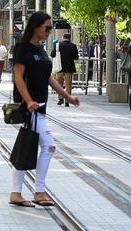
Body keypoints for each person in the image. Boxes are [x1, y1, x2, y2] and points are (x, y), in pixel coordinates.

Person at [10, 11, 80, 208]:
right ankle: (38, 191)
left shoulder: (40, 49)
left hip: (40, 106)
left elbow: (47, 78)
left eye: (51, 28)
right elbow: (18, 77)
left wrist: (67, 96)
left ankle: (18, 192)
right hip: (30, 108)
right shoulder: (23, 48)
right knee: (46, 146)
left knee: (27, 147)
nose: (50, 31)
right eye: (47, 28)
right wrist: (28, 100)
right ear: (35, 27)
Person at [53, 35, 79, 105]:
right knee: (68, 85)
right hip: (69, 69)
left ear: (63, 37)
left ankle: (60, 98)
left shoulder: (58, 45)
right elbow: (76, 57)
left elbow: (52, 54)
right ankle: (67, 101)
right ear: (70, 38)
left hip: (59, 68)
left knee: (59, 84)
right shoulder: (73, 46)